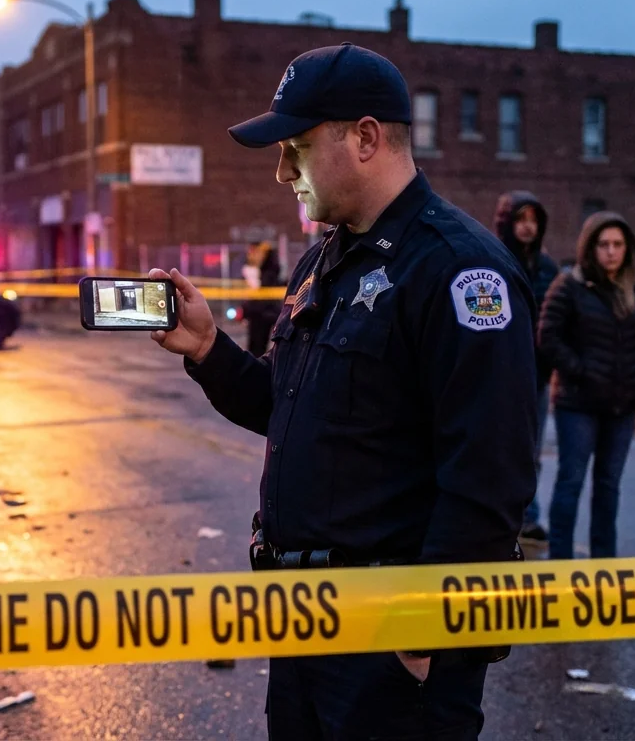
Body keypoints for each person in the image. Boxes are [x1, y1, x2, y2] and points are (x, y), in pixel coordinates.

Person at [149, 43, 537, 740]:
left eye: (296, 148)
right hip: (305, 621)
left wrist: (417, 639)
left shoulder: (459, 271)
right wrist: (208, 350)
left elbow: (489, 476)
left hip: (390, 638)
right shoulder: (328, 256)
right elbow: (289, 405)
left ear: (365, 138)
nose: (280, 172)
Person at [538, 212, 635, 560]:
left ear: (627, 248)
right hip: (578, 403)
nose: (611, 251)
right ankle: (560, 563)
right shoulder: (570, 285)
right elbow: (548, 336)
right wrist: (580, 369)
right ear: (590, 247)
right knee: (571, 483)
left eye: (617, 244)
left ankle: (605, 564)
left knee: (609, 487)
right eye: (603, 244)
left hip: (622, 405)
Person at [494, 191, 559, 542]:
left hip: (537, 376)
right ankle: (501, 516)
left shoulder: (548, 268)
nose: (527, 227)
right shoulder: (492, 259)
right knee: (499, 447)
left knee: (532, 450)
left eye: (533, 220)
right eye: (520, 220)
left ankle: (528, 517)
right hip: (501, 374)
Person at [241, 241, 285, 357]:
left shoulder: (265, 270)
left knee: (259, 345)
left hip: (262, 311)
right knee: (256, 345)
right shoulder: (255, 268)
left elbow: (260, 287)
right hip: (259, 311)